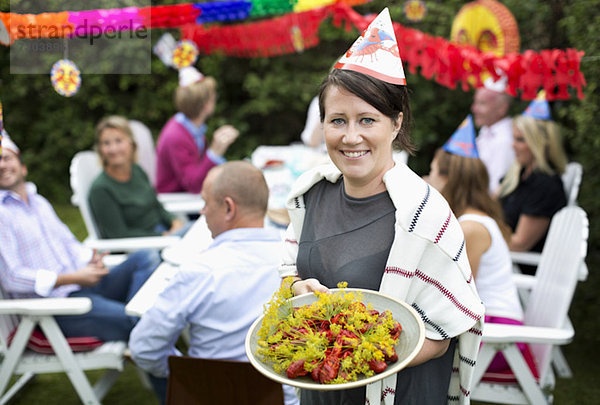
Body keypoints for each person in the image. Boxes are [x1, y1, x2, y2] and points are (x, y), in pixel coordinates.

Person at [280, 9, 484, 405]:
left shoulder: (424, 214)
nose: (350, 136)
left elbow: (441, 333)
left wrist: (352, 360)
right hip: (321, 391)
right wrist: (296, 290)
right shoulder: (310, 196)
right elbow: (289, 274)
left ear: (395, 123)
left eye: (367, 120)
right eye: (337, 120)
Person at [129, 161, 299, 405]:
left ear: (229, 208)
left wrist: (186, 371)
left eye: (206, 202)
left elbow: (144, 347)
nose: (203, 211)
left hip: (209, 394)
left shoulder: (199, 271)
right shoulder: (299, 260)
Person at [0, 134, 160, 342]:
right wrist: (71, 278)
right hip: (55, 309)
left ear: (23, 167)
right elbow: (12, 277)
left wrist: (92, 259)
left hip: (83, 285)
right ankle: (136, 324)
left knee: (146, 258)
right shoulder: (2, 215)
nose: (2, 165)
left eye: (7, 158)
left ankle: (133, 322)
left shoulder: (39, 202)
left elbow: (69, 243)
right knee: (144, 320)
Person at [425, 116, 532, 374]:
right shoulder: (474, 218)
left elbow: (458, 294)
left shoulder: (470, 228)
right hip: (492, 328)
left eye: (432, 171)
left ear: (450, 180)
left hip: (498, 340)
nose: (427, 179)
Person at [89, 115, 185, 239]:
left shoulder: (137, 170)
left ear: (131, 143)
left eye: (118, 141)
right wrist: (161, 236)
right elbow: (119, 234)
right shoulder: (101, 189)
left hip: (164, 232)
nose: (113, 149)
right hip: (141, 247)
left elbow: (156, 206)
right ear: (100, 149)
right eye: (106, 143)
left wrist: (174, 221)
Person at [497, 111, 568, 271]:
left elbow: (519, 243)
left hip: (520, 271)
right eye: (514, 138)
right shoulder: (518, 175)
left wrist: (482, 237)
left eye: (520, 140)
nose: (512, 145)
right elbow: (488, 204)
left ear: (540, 144)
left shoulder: (545, 186)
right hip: (504, 262)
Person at [155, 66, 239, 194]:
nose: (216, 97)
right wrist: (214, 153)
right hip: (177, 202)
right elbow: (192, 184)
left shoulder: (190, 128)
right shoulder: (176, 136)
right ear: (205, 105)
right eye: (212, 96)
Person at [471, 75, 515, 193]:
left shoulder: (505, 140)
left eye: (482, 103)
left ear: (502, 108)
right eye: (475, 102)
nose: (474, 108)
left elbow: (494, 188)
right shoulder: (486, 131)